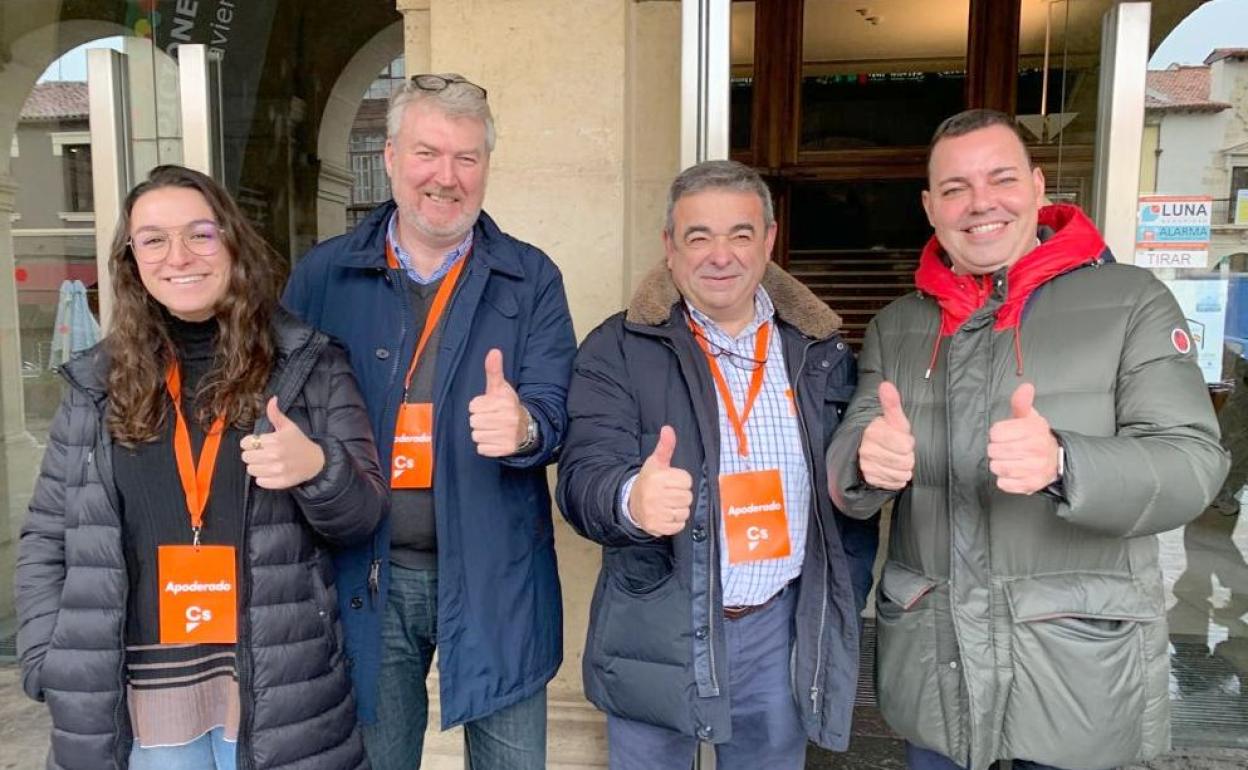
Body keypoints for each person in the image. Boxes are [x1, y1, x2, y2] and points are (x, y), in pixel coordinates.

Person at [825, 109, 1231, 770]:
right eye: (954, 188)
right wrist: (867, 463)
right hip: (938, 671)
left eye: (1001, 178)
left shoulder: (1133, 301)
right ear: (930, 207)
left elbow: (1191, 462)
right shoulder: (896, 325)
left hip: (1078, 674)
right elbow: (849, 461)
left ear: (1041, 188)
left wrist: (1067, 463)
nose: (980, 202)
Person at [16, 164, 387, 770]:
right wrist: (48, 659)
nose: (178, 256)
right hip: (138, 701)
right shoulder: (96, 382)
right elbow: (48, 535)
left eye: (200, 233)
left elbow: (363, 517)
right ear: (131, 260)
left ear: (232, 243)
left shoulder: (307, 364)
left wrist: (318, 467)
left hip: (275, 693)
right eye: (153, 239)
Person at [283, 73, 576, 770]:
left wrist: (526, 429)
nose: (446, 177)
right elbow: (285, 414)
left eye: (466, 158)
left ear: (485, 168)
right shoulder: (323, 277)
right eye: (427, 153)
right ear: (389, 158)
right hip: (364, 574)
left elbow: (556, 415)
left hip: (496, 576)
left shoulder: (530, 278)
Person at [556, 159, 877, 770]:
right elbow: (580, 477)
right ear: (670, 249)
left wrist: (839, 593)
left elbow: (848, 498)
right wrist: (629, 499)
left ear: (769, 242)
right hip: (658, 626)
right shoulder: (619, 347)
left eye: (740, 234)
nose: (720, 255)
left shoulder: (820, 351)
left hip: (779, 629)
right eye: (698, 236)